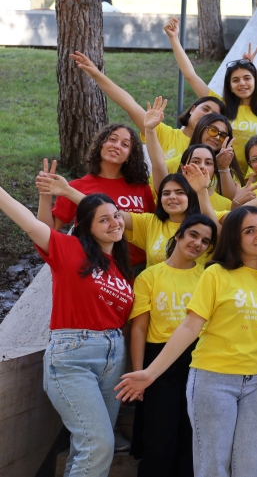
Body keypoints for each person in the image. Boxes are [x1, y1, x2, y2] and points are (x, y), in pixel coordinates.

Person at [116, 206, 257, 477]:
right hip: (214, 379)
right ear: (234, 238)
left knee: (254, 466)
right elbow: (189, 327)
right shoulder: (216, 274)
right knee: (213, 466)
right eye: (249, 230)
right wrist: (150, 373)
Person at [0, 188, 133, 477]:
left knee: (88, 446)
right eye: (104, 220)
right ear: (87, 227)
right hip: (74, 356)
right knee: (99, 444)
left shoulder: (119, 268)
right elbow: (29, 223)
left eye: (117, 216)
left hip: (113, 357)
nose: (114, 223)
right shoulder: (69, 249)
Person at [128, 215, 217, 477]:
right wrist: (138, 372)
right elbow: (139, 329)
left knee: (191, 439)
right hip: (159, 364)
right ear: (178, 235)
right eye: (193, 235)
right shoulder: (149, 276)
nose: (197, 243)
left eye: (205, 241)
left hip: (199, 361)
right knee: (159, 440)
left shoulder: (208, 276)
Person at [70, 50, 225, 159]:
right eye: (205, 108)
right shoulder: (164, 134)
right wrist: (97, 75)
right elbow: (130, 104)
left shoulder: (215, 148)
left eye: (213, 115)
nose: (207, 115)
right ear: (192, 110)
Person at [37, 123, 154, 265]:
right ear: (100, 145)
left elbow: (153, 228)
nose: (117, 145)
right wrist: (45, 194)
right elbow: (47, 231)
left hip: (139, 271)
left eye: (125, 144)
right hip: (97, 269)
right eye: (112, 139)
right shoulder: (76, 187)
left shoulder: (141, 188)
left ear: (129, 156)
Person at [164, 17, 257, 173]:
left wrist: (249, 66)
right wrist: (174, 39)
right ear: (230, 87)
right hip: (219, 174)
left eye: (247, 78)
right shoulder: (221, 107)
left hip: (256, 175)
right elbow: (190, 75)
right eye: (235, 80)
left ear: (256, 81)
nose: (242, 83)